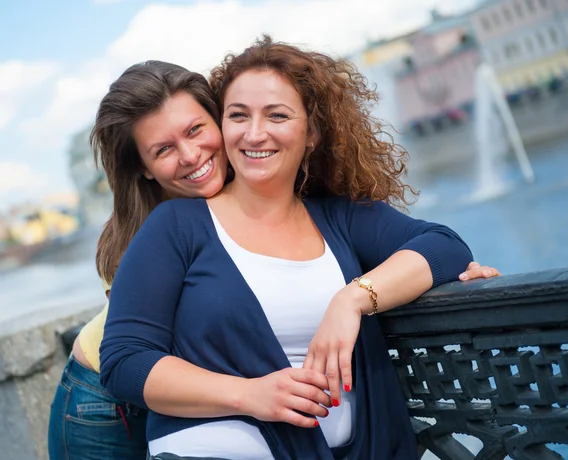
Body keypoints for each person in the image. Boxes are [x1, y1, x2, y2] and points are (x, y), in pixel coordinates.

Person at [99, 37, 497, 460]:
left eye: (277, 115)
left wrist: (353, 299)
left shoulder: (339, 217)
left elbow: (444, 246)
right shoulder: (176, 225)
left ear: (312, 133)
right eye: (238, 115)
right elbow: (124, 360)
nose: (255, 133)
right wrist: (250, 395)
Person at [47, 61, 230, 460]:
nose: (190, 154)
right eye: (163, 149)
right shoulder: (137, 238)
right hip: (101, 403)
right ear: (143, 170)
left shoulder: (248, 191)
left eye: (196, 129)